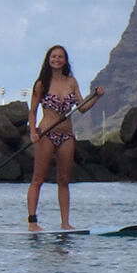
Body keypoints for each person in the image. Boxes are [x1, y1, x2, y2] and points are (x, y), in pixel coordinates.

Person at [26, 44, 104, 231]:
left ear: (65, 61)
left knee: (63, 180)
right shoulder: (41, 84)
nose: (57, 59)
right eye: (53, 56)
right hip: (46, 134)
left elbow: (82, 107)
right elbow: (33, 111)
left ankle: (65, 223)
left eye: (60, 57)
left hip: (67, 135)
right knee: (38, 179)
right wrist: (33, 132)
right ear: (48, 59)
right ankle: (32, 222)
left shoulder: (71, 82)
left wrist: (97, 97)